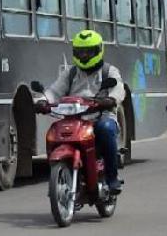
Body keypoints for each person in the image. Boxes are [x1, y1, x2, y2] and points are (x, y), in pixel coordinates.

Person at [36, 29, 125, 194]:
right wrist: (42, 101)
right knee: (53, 132)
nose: (84, 55)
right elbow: (54, 91)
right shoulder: (70, 73)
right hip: (75, 117)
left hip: (100, 115)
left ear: (98, 51)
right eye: (80, 52)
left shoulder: (109, 71)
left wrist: (110, 100)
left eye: (88, 52)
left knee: (106, 128)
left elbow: (118, 89)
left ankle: (112, 178)